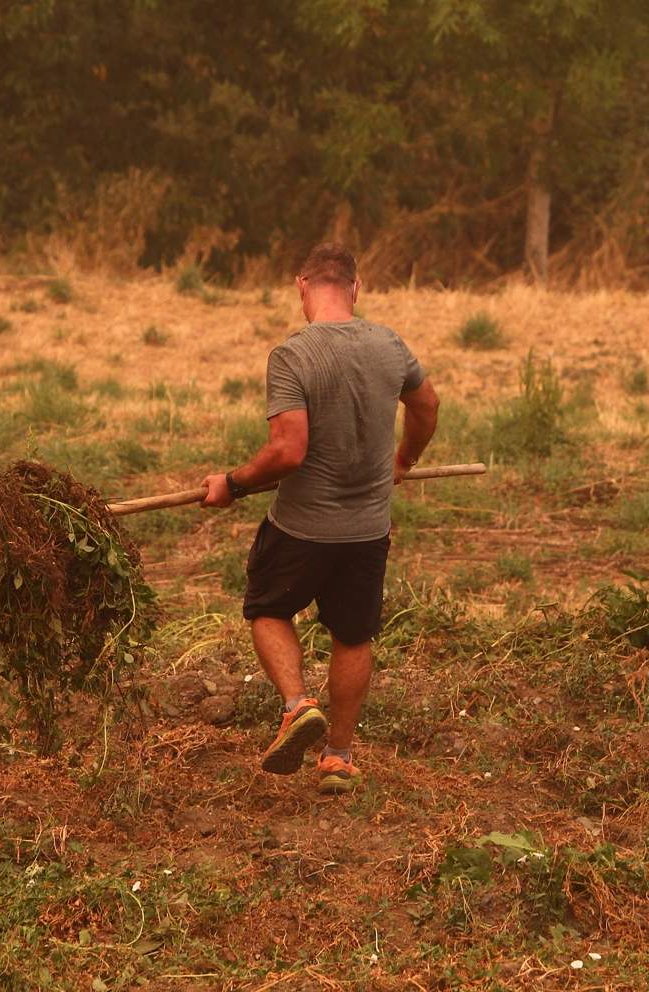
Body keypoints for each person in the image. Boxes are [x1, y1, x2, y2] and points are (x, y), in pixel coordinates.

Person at [200, 243, 439, 794]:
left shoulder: (293, 355)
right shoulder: (389, 344)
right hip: (368, 530)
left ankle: (296, 705)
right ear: (356, 288)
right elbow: (427, 406)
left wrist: (232, 484)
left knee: (267, 608)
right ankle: (338, 758)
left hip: (302, 526)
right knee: (353, 635)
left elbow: (288, 451)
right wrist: (403, 461)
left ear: (302, 286)